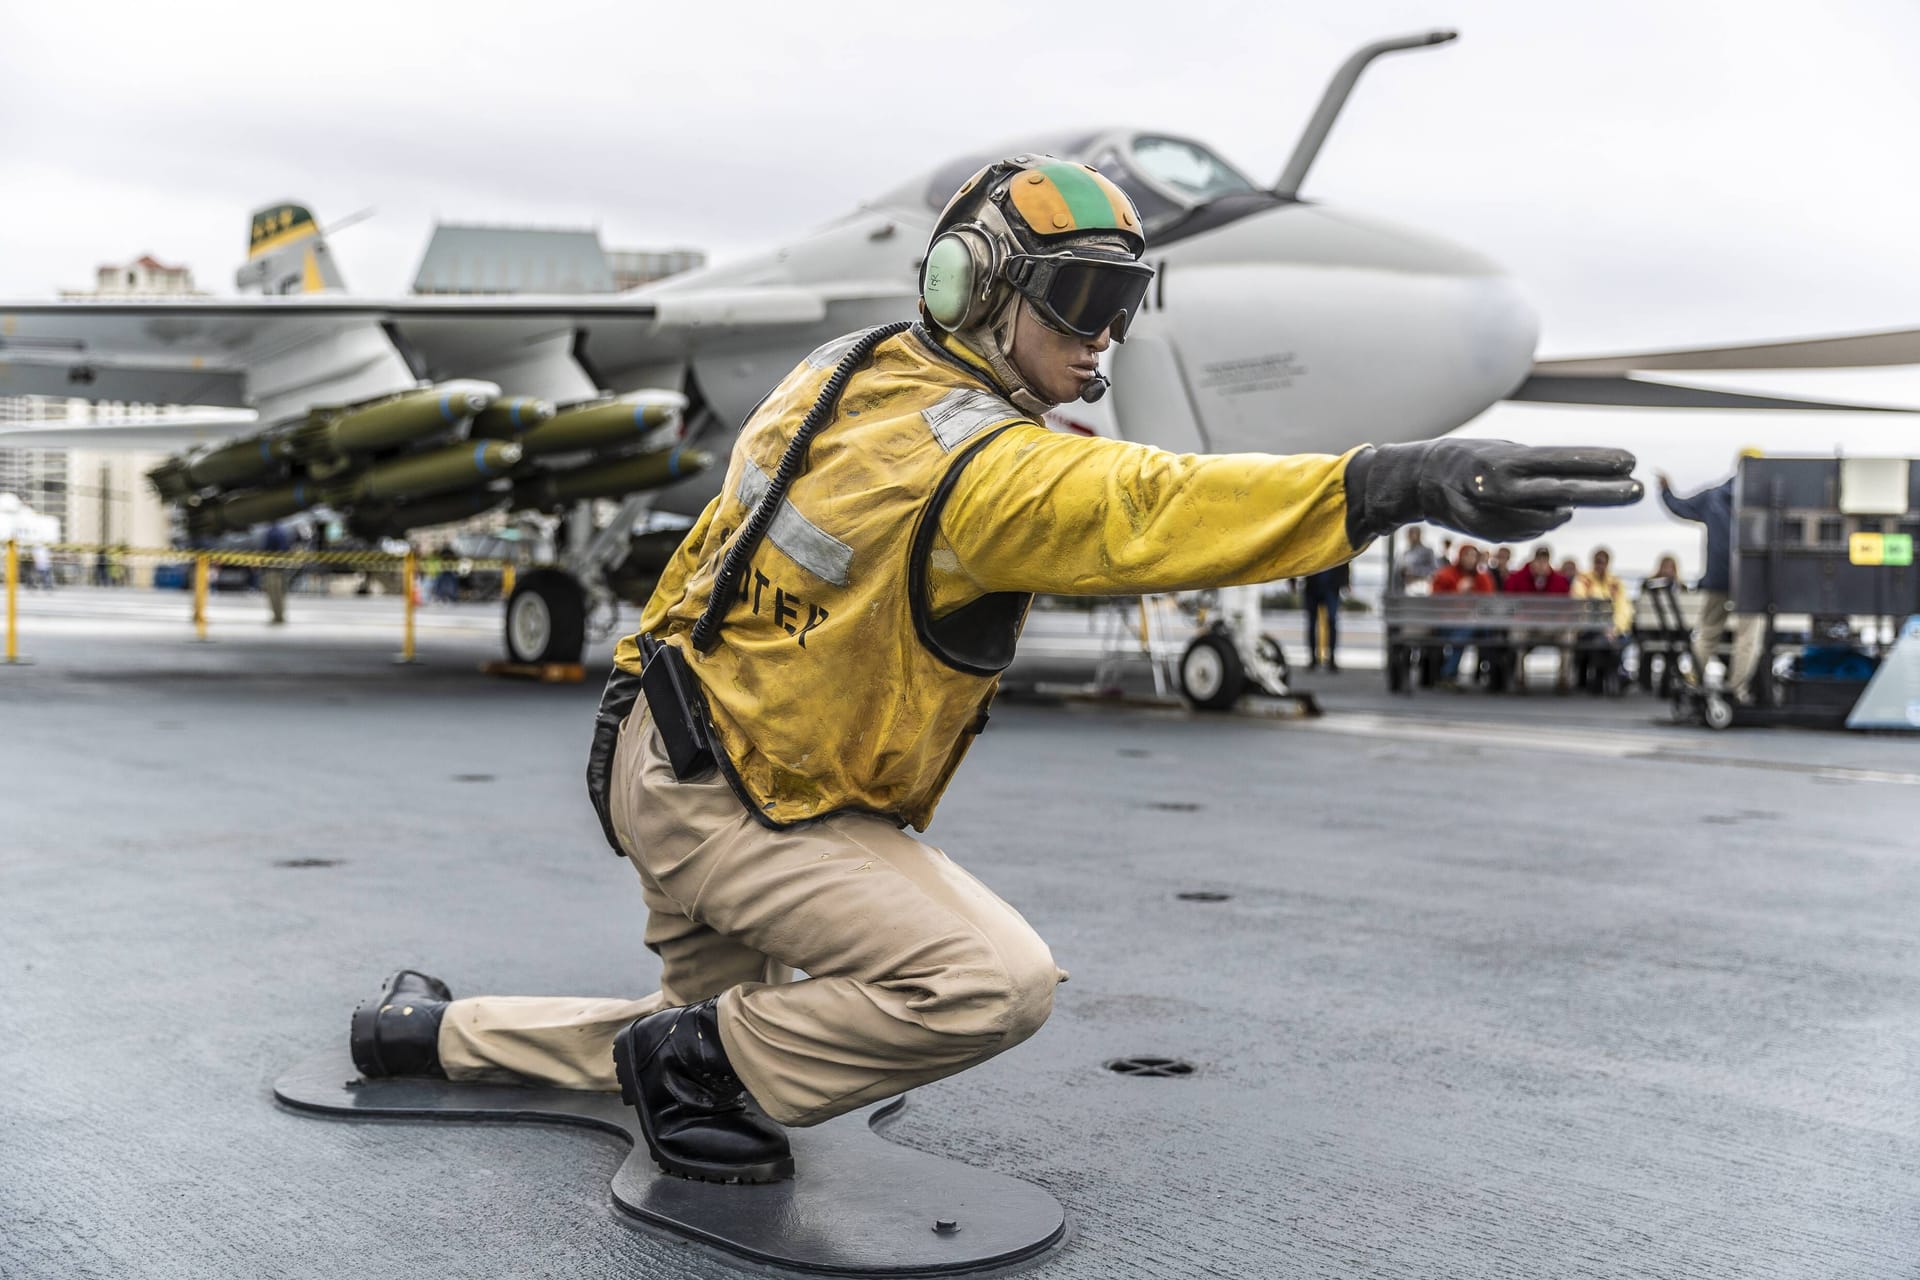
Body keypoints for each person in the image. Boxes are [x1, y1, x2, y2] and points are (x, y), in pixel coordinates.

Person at [344, 156, 1640, 1186]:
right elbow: (1146, 508)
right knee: (983, 983)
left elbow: (708, 552)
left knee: (699, 1032)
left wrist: (625, 690)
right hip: (750, 803)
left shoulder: (832, 371)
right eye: (1077, 306)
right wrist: (1390, 482)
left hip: (665, 753)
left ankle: (431, 1034)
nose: (1100, 346)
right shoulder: (990, 470)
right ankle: (703, 1066)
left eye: (1120, 311)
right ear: (976, 289)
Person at [1658, 459, 1765, 701]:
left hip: (1717, 577)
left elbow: (1680, 507)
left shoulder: (1714, 496)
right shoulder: (1766, 499)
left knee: (1707, 631)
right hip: (1750, 579)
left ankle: (1693, 678)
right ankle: (1737, 689)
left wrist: (1666, 491)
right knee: (1748, 636)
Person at [1429, 543, 1498, 686]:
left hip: (1475, 625)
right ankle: (1448, 674)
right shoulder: (1445, 575)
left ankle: (1449, 674)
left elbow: (1488, 603)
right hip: (1448, 623)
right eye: (1467, 555)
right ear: (1460, 556)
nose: (1470, 559)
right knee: (1465, 632)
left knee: (1482, 632)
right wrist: (1457, 591)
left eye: (1473, 556)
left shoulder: (1482, 578)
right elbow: (1437, 602)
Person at [1572, 546, 1631, 691]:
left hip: (1612, 630)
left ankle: (1605, 678)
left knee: (1614, 641)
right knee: (1601, 641)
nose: (1600, 565)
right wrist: (1602, 627)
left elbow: (1623, 609)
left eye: (1603, 562)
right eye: (1597, 562)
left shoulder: (1615, 583)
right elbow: (1581, 606)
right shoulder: (1584, 581)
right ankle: (1615, 676)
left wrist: (1615, 628)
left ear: (1608, 563)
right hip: (1589, 628)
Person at [1300, 562, 1350, 671]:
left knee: (1331, 622)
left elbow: (1344, 556)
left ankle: (1331, 658)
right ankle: (1313, 659)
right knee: (1313, 624)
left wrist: (1345, 581)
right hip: (1313, 585)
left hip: (1331, 585)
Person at [1503, 545, 1570, 594]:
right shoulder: (1515, 579)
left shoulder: (1560, 581)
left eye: (1545, 561)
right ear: (1532, 560)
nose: (1541, 565)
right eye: (1538, 560)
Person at [261, 522, 292, 625]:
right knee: (281, 594)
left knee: (274, 594)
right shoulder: (282, 531)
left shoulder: (272, 532)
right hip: (281, 567)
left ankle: (277, 617)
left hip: (272, 568)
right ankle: (280, 616)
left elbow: (266, 549)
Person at [1396, 526, 1437, 591]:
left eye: (1411, 534)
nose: (1409, 537)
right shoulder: (1406, 553)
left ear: (1418, 535)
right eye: (1408, 535)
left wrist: (1414, 572)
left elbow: (1434, 570)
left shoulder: (1427, 551)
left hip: (1422, 586)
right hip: (1406, 587)